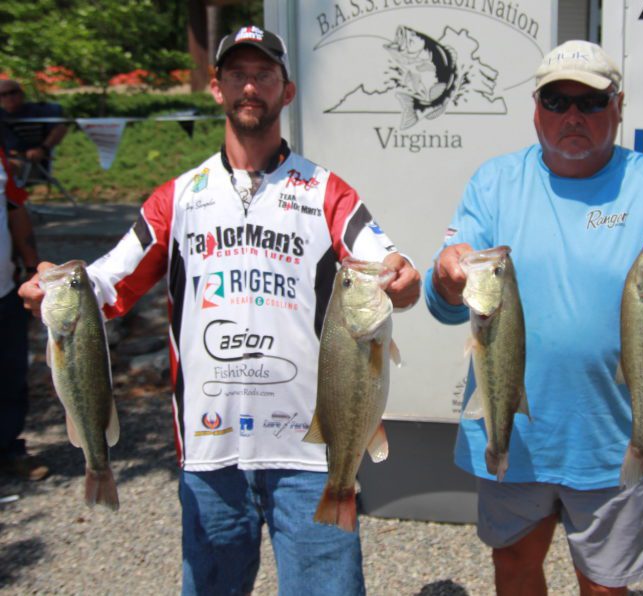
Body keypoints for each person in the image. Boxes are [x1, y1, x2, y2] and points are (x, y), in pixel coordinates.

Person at [19, 26, 420, 595]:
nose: (250, 86)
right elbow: (108, 281)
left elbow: (386, 263)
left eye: (264, 75)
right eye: (237, 74)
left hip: (309, 454)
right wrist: (52, 285)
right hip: (211, 455)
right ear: (216, 88)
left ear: (288, 90)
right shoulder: (177, 197)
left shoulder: (328, 192)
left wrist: (403, 276)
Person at [425, 40, 643, 595]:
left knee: (605, 585)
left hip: (614, 434)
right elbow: (445, 301)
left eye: (591, 103)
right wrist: (446, 279)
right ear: (535, 108)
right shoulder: (494, 183)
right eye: (556, 100)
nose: (572, 115)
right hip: (514, 430)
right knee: (515, 565)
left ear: (618, 107)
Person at [0, 146, 47, 481]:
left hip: (4, 291)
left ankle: (8, 448)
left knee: (11, 376)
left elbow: (15, 208)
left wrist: (32, 265)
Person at [0, 79, 68, 179]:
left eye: (13, 92)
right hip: (5, 161)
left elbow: (61, 128)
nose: (9, 97)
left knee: (4, 167)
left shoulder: (39, 111)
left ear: (21, 93)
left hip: (32, 165)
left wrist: (42, 149)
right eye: (3, 94)